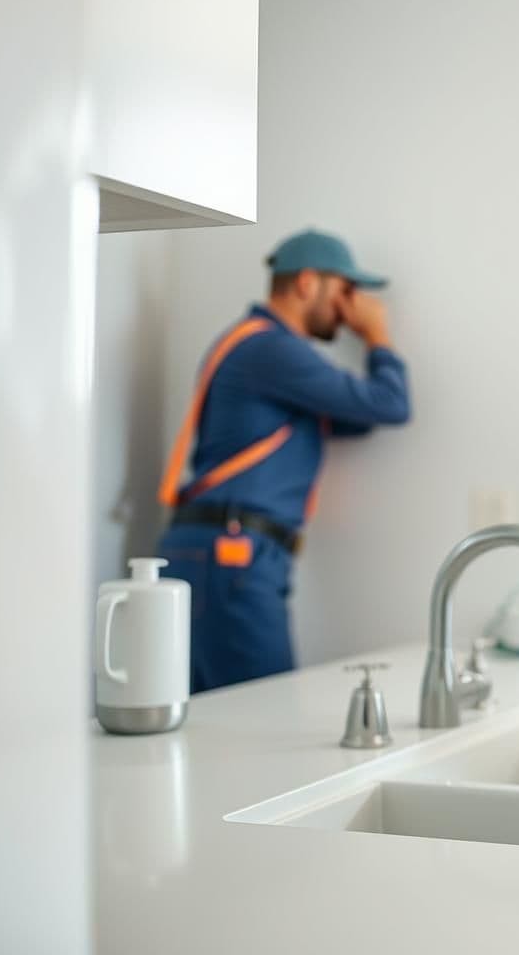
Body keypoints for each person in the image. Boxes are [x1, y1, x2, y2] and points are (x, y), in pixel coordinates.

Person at [156, 229, 411, 692]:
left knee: (216, 726)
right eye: (345, 291)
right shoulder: (272, 349)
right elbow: (389, 404)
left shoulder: (264, 352)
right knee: (268, 718)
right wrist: (377, 335)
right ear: (307, 283)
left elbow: (360, 418)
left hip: (218, 551)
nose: (348, 307)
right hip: (232, 557)